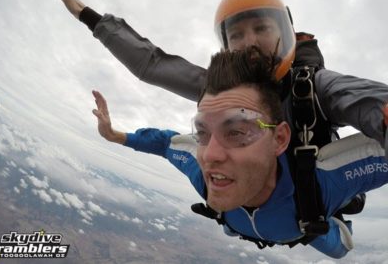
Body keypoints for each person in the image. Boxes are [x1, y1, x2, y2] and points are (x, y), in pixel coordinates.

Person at [47, 0, 388, 216]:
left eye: (261, 28)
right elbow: (151, 65)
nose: (249, 42)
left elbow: (373, 105)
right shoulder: (219, 89)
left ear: (284, 32)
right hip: (253, 204)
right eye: (236, 34)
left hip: (313, 197)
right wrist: (87, 16)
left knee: (334, 237)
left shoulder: (315, 87)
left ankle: (343, 208)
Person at [91, 46, 388, 259]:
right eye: (203, 132)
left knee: (340, 250)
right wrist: (117, 136)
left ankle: (343, 210)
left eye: (237, 132)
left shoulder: (323, 180)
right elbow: (166, 143)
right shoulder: (204, 173)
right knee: (229, 217)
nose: (209, 155)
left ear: (280, 139)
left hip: (311, 225)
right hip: (256, 224)